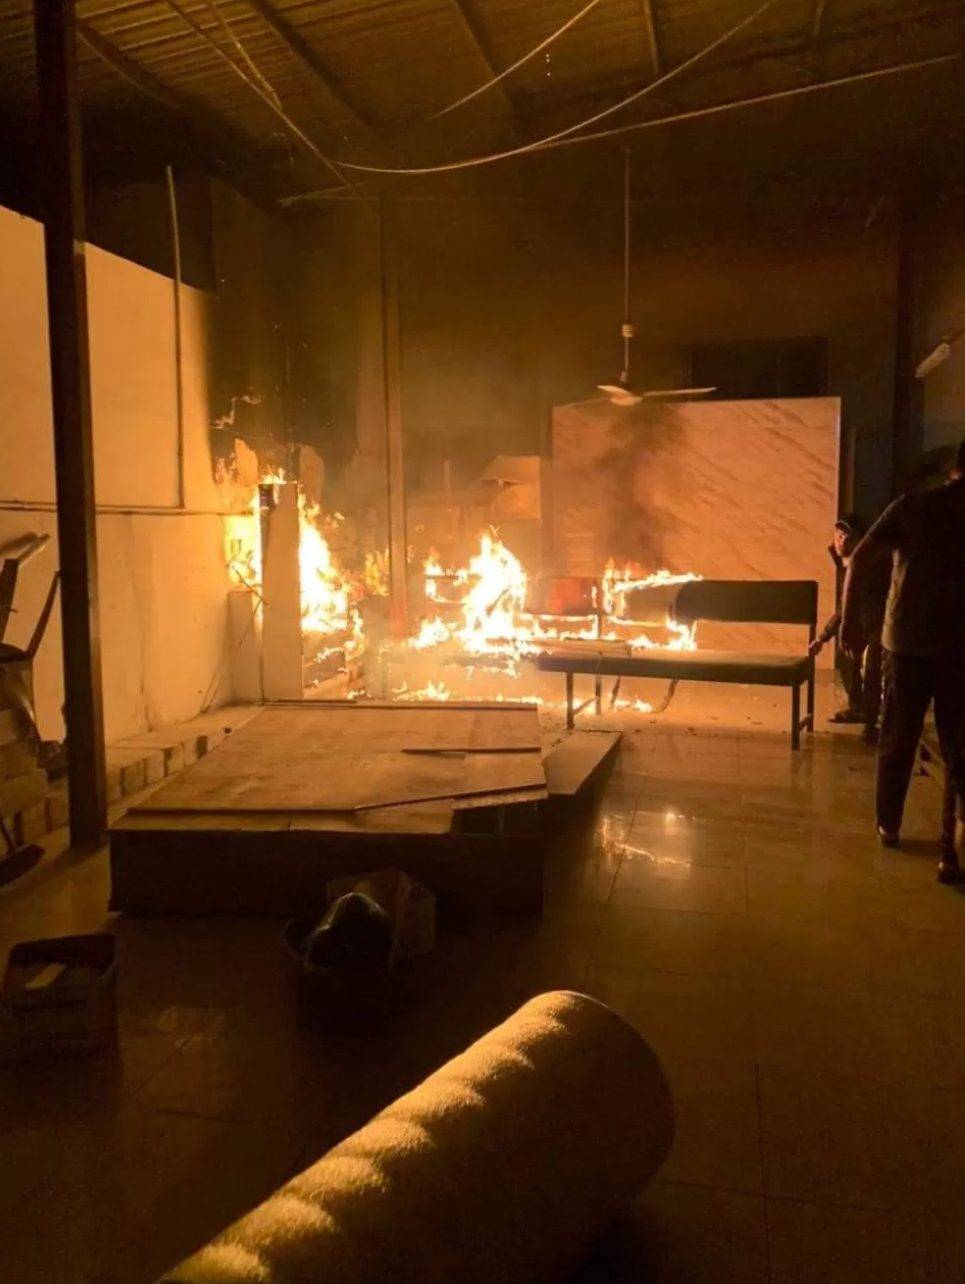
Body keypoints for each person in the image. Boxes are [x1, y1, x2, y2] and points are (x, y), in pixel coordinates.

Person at [841, 440, 965, 883]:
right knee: (958, 746)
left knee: (898, 735)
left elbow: (858, 558)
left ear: (953, 468)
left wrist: (849, 621)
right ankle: (951, 850)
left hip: (906, 642)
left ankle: (889, 824)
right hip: (958, 648)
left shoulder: (914, 506)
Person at [810, 514, 888, 742]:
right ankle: (858, 707)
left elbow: (848, 604)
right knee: (846, 656)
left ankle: (871, 722)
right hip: (860, 620)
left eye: (849, 537)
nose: (842, 541)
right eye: (839, 535)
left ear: (860, 541)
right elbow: (844, 605)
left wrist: (824, 636)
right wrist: (824, 637)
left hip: (880, 621)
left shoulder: (869, 562)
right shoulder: (843, 560)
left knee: (873, 668)